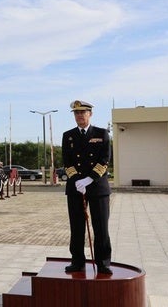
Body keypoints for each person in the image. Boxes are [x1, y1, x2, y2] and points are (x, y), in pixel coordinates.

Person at [61, 100, 112, 275]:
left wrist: (90, 179)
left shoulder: (102, 133)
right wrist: (76, 180)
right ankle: (77, 261)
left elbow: (104, 160)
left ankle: (103, 263)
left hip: (97, 187)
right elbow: (67, 162)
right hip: (76, 188)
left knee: (101, 227)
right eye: (76, 113)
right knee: (76, 227)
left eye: (83, 112)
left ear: (90, 114)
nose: (79, 115)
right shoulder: (68, 136)